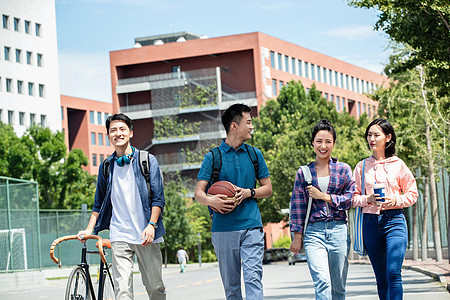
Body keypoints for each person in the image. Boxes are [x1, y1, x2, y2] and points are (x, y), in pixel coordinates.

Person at [77, 113, 166, 300]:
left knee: (155, 287)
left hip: (146, 235)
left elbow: (158, 199)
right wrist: (88, 229)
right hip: (120, 235)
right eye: (113, 130)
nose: (118, 133)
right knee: (122, 289)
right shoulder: (106, 167)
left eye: (122, 129)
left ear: (131, 133)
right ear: (108, 136)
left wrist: (152, 225)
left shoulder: (147, 161)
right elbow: (98, 203)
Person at [194, 103, 272, 300]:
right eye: (249, 122)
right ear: (234, 126)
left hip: (251, 225)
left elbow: (267, 189)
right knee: (232, 287)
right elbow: (198, 194)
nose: (252, 126)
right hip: (223, 228)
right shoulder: (213, 157)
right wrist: (213, 201)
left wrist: (249, 192)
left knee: (253, 277)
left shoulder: (255, 155)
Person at [352, 118, 418, 300]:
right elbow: (353, 198)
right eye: (369, 135)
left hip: (395, 221)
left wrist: (395, 200)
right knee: (381, 278)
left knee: (393, 273)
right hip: (370, 224)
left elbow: (412, 194)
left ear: (388, 137)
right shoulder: (361, 167)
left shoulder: (398, 164)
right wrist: (368, 199)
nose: (371, 139)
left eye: (376, 135)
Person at [290, 119, 354, 300]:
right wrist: (297, 235)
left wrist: (325, 197)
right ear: (312, 143)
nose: (323, 146)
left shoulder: (343, 169)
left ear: (333, 143)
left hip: (339, 230)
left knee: (339, 286)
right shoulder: (304, 172)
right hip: (314, 233)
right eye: (319, 141)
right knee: (322, 281)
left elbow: (350, 199)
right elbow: (298, 205)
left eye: (328, 141)